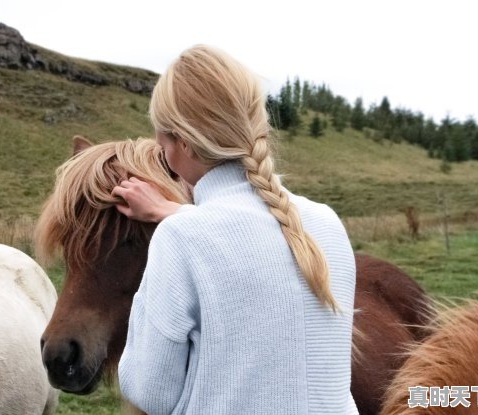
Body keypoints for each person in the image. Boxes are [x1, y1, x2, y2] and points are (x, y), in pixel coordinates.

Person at [112, 45, 358, 414]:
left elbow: (151, 392)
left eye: (160, 133)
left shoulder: (181, 237)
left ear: (181, 142)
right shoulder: (327, 223)